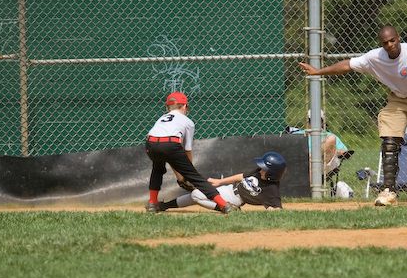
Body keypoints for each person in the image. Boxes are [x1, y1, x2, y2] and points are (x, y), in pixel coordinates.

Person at [298, 25, 407, 205]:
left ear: (398, 38)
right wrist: (318, 71)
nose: (390, 45)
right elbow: (347, 65)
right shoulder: (374, 57)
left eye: (392, 40)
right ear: (381, 44)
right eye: (385, 43)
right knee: (389, 142)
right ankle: (389, 191)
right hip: (397, 98)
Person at [145, 91, 236, 214]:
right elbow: (187, 149)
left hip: (151, 144)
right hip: (170, 144)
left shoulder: (162, 118)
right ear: (184, 106)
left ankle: (152, 203)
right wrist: (188, 172)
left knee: (157, 170)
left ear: (168, 107)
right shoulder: (188, 122)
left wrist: (180, 175)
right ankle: (224, 205)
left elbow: (169, 154)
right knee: (196, 178)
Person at [158, 151, 286, 212]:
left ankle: (227, 209)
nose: (260, 169)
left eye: (264, 168)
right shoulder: (259, 172)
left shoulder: (271, 190)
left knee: (196, 195)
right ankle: (164, 206)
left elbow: (277, 209)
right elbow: (240, 177)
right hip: (228, 190)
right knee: (197, 194)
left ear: (271, 174)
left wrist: (272, 209)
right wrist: (220, 181)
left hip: (234, 200)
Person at [287, 110, 351, 179]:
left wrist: (332, 151)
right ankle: (311, 160)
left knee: (331, 139)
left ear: (322, 122)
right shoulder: (297, 134)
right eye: (312, 120)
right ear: (307, 121)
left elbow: (343, 152)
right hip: (301, 163)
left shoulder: (329, 136)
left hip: (323, 164)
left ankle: (312, 158)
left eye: (318, 121)